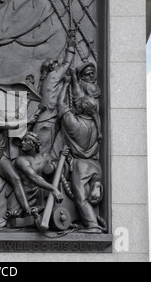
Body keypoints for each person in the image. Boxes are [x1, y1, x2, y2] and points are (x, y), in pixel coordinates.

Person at [57, 74, 104, 233]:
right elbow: (78, 98)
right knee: (89, 195)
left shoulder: (74, 124)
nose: (75, 104)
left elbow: (60, 104)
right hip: (95, 166)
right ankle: (96, 184)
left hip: (81, 166)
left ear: (80, 108)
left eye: (78, 104)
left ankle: (92, 225)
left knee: (81, 198)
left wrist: (65, 84)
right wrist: (75, 80)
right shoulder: (95, 123)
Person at [31, 37, 77, 154]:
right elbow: (66, 63)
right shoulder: (54, 75)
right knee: (42, 154)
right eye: (55, 63)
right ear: (52, 67)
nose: (58, 63)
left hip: (47, 119)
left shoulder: (45, 80)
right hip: (48, 121)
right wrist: (71, 47)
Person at [14, 132, 64, 205]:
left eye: (26, 140)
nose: (22, 143)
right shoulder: (21, 160)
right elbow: (34, 177)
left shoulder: (47, 157)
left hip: (47, 196)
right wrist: (53, 189)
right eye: (22, 141)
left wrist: (62, 160)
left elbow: (57, 174)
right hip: (30, 197)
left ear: (34, 143)